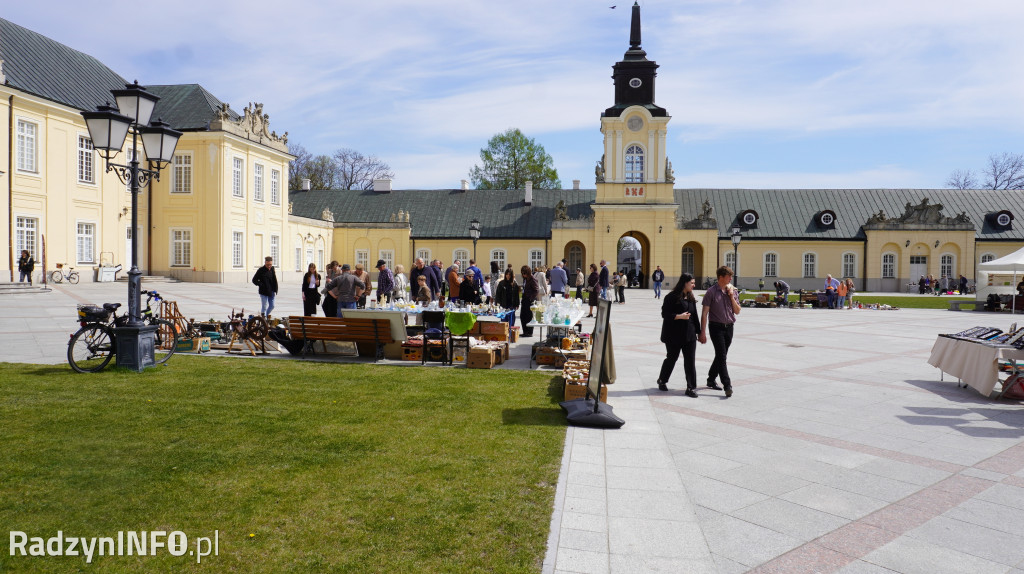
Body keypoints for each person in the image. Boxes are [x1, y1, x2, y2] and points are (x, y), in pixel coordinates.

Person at [657, 273, 704, 397]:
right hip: (673, 335)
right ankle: (662, 380)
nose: (694, 285)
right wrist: (679, 316)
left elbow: (694, 316)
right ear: (685, 283)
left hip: (689, 335)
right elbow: (665, 314)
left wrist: (700, 333)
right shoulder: (671, 297)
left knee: (690, 361)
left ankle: (691, 388)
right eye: (692, 283)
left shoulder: (690, 297)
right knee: (672, 358)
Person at [700, 266, 741, 398]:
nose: (730, 279)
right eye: (728, 276)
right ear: (721, 277)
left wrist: (731, 296)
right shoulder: (711, 292)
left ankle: (711, 379)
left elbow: (737, 311)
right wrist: (702, 332)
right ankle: (727, 385)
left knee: (721, 355)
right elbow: (704, 313)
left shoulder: (733, 291)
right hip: (716, 327)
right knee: (722, 356)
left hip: (729, 327)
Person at [520, 266, 539, 337]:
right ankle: (525, 331)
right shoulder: (525, 279)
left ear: (528, 273)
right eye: (522, 273)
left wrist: (531, 298)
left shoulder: (532, 279)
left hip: (530, 300)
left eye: (524, 273)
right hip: (524, 299)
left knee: (529, 316)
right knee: (522, 316)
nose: (523, 275)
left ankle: (529, 332)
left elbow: (536, 290)